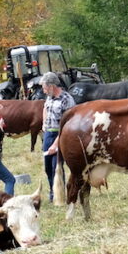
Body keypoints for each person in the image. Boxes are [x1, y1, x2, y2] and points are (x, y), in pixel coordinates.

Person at [41, 72, 75, 202]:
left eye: (44, 88)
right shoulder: (49, 97)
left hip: (61, 135)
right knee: (48, 166)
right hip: (48, 134)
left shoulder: (67, 100)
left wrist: (56, 144)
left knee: (57, 166)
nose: (44, 91)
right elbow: (45, 108)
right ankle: (52, 191)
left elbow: (67, 125)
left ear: (51, 86)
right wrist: (44, 123)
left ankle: (60, 194)